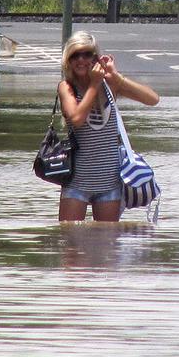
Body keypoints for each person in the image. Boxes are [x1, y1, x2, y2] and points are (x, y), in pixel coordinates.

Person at [57, 31, 159, 222]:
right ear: (68, 61)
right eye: (75, 55)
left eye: (87, 54)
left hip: (109, 182)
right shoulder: (67, 87)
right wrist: (94, 84)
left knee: (107, 245)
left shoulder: (108, 85)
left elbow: (152, 99)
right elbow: (77, 118)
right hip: (77, 181)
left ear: (95, 58)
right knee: (68, 242)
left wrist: (116, 78)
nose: (81, 60)